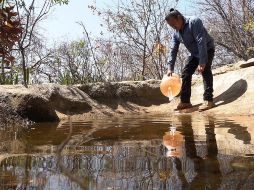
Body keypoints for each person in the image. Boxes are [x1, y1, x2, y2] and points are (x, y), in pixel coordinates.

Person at [165, 9, 215, 111]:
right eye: (171, 26)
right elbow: (173, 50)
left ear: (179, 17)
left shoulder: (194, 21)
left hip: (207, 48)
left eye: (174, 24)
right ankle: (185, 102)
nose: (173, 27)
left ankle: (208, 100)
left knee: (205, 70)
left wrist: (202, 62)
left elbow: (201, 41)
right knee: (186, 73)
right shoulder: (176, 33)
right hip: (194, 54)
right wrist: (170, 67)